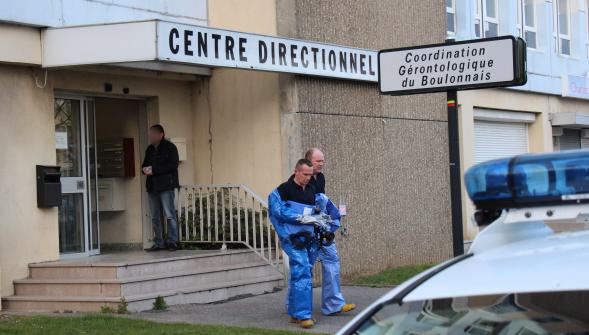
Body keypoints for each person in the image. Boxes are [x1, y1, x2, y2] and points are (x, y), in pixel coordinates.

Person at [268, 159, 319, 329]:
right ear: (296, 171)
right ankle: (303, 315)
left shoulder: (312, 189)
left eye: (310, 175)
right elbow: (277, 212)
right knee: (303, 269)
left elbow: (318, 209)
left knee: (301, 272)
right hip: (292, 238)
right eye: (305, 174)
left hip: (309, 238)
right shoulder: (283, 190)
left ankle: (294, 312)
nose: (308, 178)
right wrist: (299, 220)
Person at [305, 148, 356, 315]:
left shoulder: (321, 178)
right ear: (308, 161)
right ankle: (297, 309)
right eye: (318, 161)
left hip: (322, 229)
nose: (322, 163)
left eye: (323, 160)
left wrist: (330, 220)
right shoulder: (301, 181)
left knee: (332, 262)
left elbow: (322, 204)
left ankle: (333, 305)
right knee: (304, 269)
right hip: (306, 232)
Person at [142, 124, 180, 252]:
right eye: (149, 135)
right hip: (152, 187)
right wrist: (145, 169)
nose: (150, 137)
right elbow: (144, 165)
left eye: (152, 134)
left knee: (169, 215)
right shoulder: (150, 149)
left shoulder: (170, 147)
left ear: (160, 135)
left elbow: (173, 165)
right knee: (155, 216)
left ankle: (173, 242)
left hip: (166, 186)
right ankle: (159, 242)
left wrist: (154, 170)